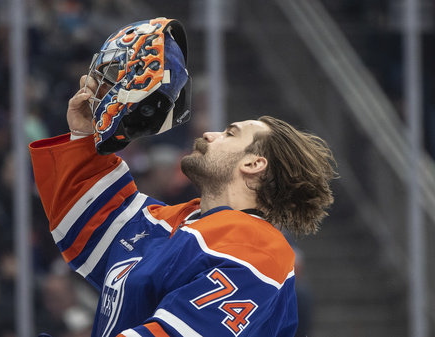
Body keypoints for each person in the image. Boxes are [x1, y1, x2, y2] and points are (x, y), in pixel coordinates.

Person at [30, 18, 336, 337]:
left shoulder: (257, 246)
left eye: (230, 133)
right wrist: (83, 136)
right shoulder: (177, 222)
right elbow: (88, 222)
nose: (210, 134)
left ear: (254, 164)